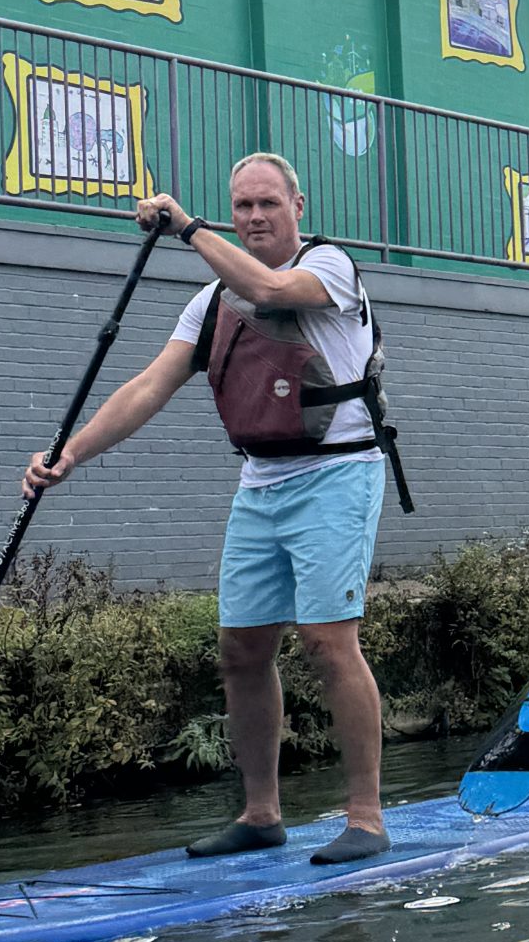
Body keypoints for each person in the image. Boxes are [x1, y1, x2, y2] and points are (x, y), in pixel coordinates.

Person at [24, 152, 394, 865]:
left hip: (338, 474)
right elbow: (147, 387)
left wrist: (187, 228)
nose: (255, 217)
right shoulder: (210, 303)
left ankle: (366, 817)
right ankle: (261, 814)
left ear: (297, 206)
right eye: (243, 206)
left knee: (326, 641)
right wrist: (69, 453)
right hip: (261, 482)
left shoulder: (330, 267)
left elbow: (268, 286)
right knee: (241, 649)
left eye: (268, 204)